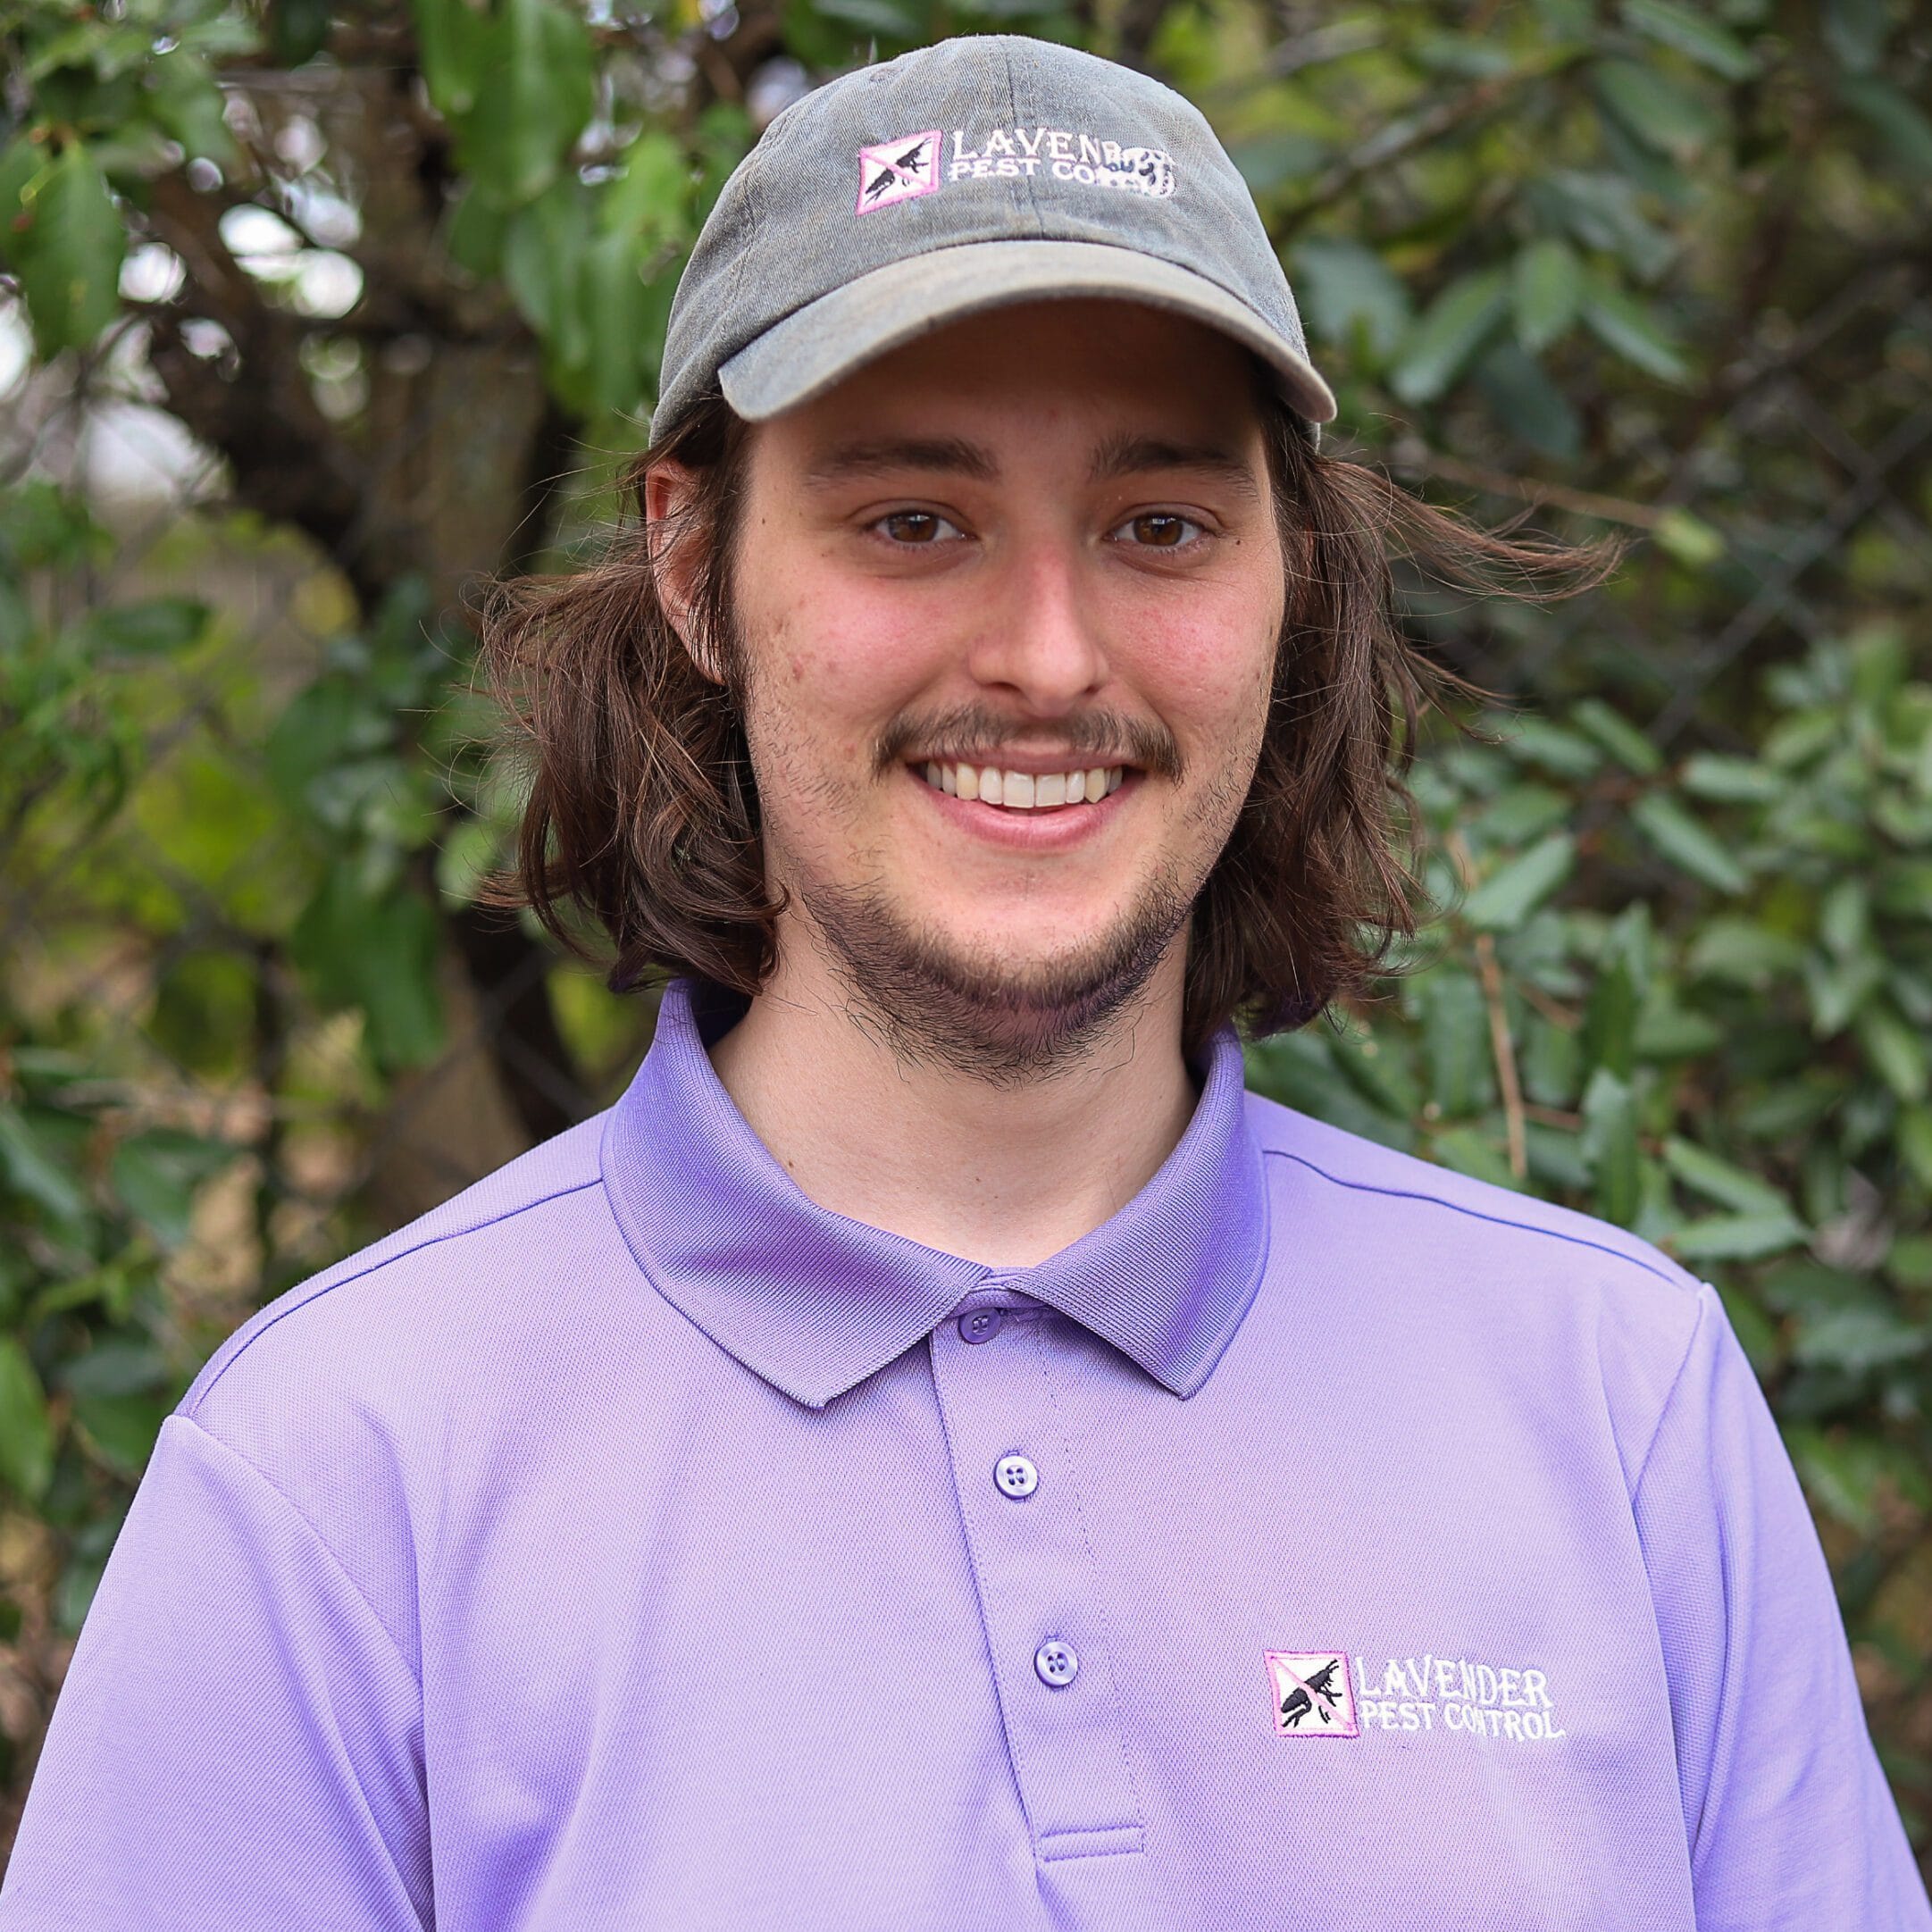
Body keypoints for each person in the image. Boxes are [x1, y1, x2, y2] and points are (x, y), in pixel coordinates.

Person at [2, 33, 1926, 1932]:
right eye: (912, 521)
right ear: (691, 562)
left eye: (1159, 526)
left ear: (1288, 585)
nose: (1047, 656)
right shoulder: (337, 1480)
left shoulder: (1618, 1400)